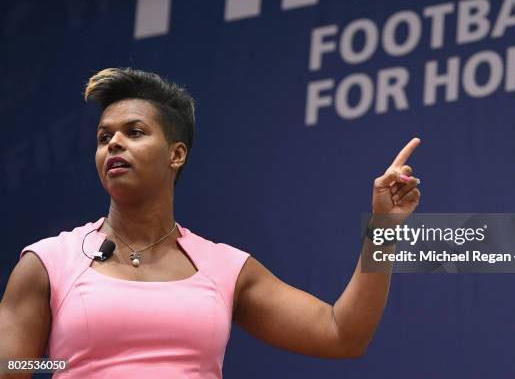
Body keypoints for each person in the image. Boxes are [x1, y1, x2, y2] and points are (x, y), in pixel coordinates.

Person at [0, 68, 421, 378]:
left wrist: (384, 228)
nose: (114, 142)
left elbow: (341, 334)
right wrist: (60, 360)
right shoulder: (48, 262)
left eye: (134, 131)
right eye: (103, 136)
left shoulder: (225, 268)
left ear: (176, 154)